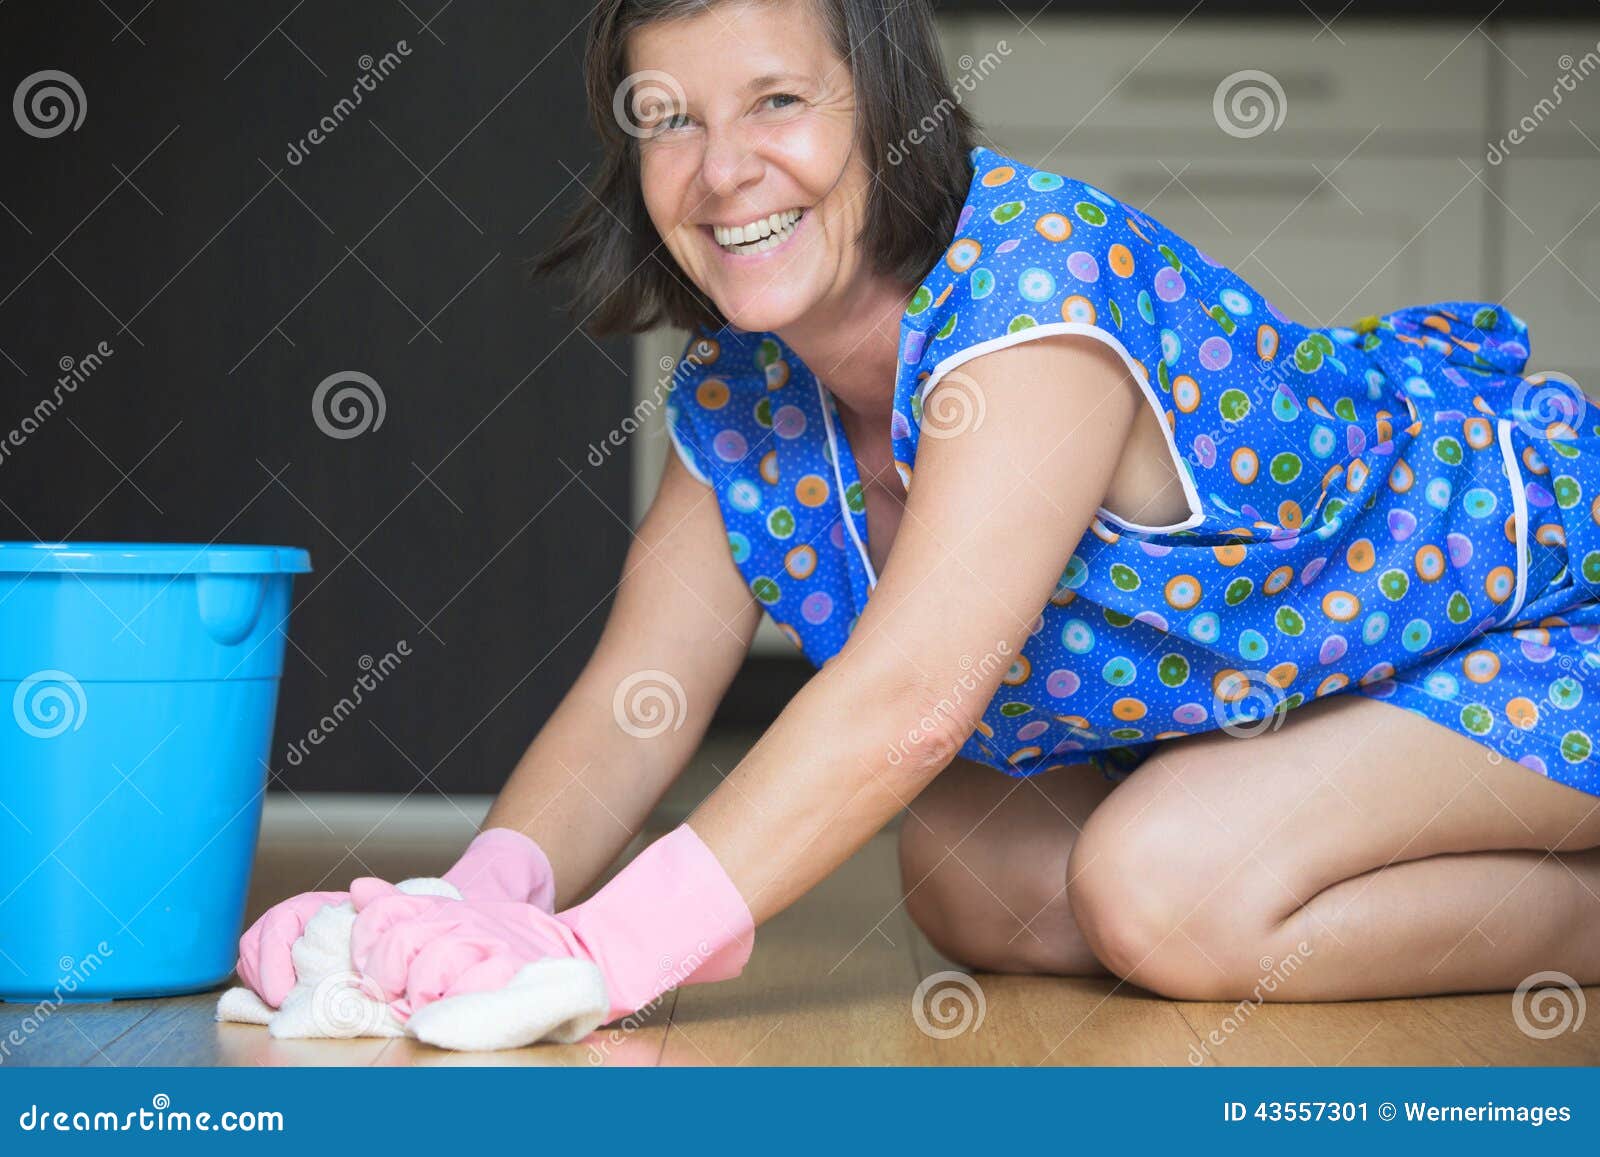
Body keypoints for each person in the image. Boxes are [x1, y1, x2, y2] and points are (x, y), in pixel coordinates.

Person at [238, 0, 1600, 1025]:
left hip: (1534, 619)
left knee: (1159, 889)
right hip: (1289, 690)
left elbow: (911, 700)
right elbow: (631, 699)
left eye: (777, 102)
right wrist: (476, 903)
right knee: (970, 865)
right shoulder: (746, 391)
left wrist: (605, 954)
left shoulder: (1033, 299)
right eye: (668, 118)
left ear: (889, 112)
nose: (720, 174)